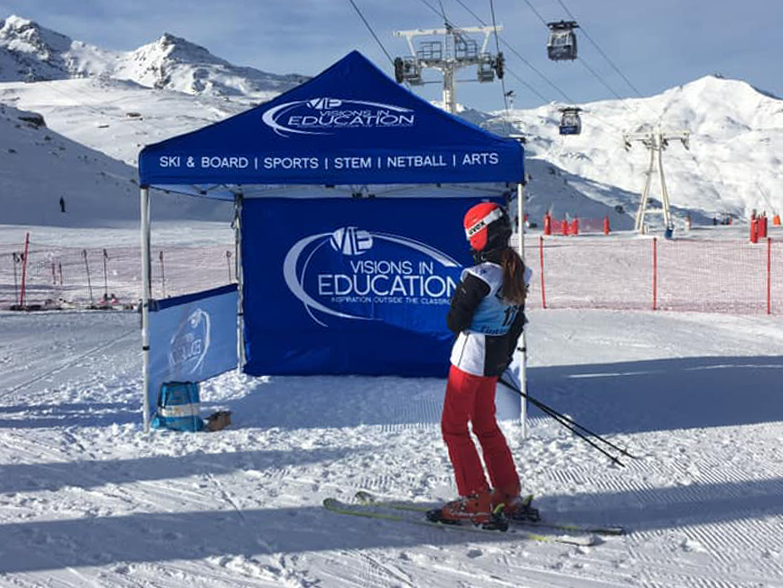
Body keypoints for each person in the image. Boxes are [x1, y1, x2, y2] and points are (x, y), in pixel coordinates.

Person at [430, 202, 535, 528]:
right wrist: (501, 361)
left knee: (454, 428)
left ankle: (475, 499)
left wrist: (461, 297)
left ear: (479, 234)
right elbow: (517, 322)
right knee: (486, 426)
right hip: (493, 360)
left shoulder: (479, 276)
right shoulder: (519, 271)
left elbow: (454, 321)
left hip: (469, 358)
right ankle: (508, 494)